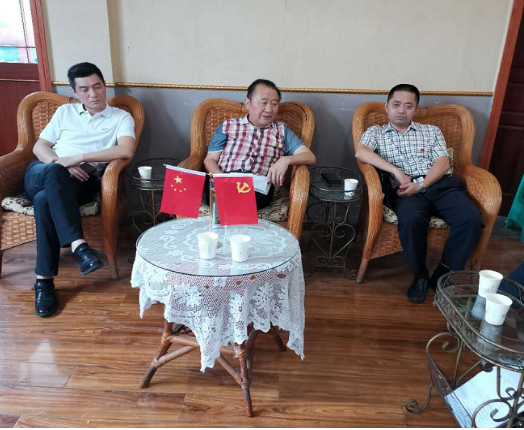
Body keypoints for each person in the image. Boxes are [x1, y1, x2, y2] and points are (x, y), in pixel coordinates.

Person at [25, 62, 136, 317]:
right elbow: (40, 146)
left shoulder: (120, 117)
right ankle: (78, 245)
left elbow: (126, 150)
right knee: (52, 174)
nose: (93, 94)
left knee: (43, 201)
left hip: (81, 180)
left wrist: (78, 158)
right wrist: (58, 163)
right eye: (84, 89)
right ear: (74, 92)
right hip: (42, 172)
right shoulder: (65, 112)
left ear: (105, 86)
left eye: (97, 86)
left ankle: (44, 282)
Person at [355, 84, 483, 304]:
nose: (401, 110)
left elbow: (443, 162)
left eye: (408, 106)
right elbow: (361, 152)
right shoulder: (376, 132)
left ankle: (443, 273)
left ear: (415, 109)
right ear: (387, 107)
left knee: (470, 219)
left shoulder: (431, 131)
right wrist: (396, 171)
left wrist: (423, 184)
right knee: (412, 220)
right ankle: (420, 274)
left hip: (440, 186)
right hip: (405, 191)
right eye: (396, 104)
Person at [203, 79, 316, 209]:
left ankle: (229, 210)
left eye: (274, 104)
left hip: (257, 187)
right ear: (248, 103)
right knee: (202, 188)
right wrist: (221, 179)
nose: (269, 109)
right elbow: (210, 159)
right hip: (224, 179)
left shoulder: (282, 130)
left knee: (238, 202)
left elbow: (310, 157)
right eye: (263, 103)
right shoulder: (228, 126)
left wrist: (286, 160)